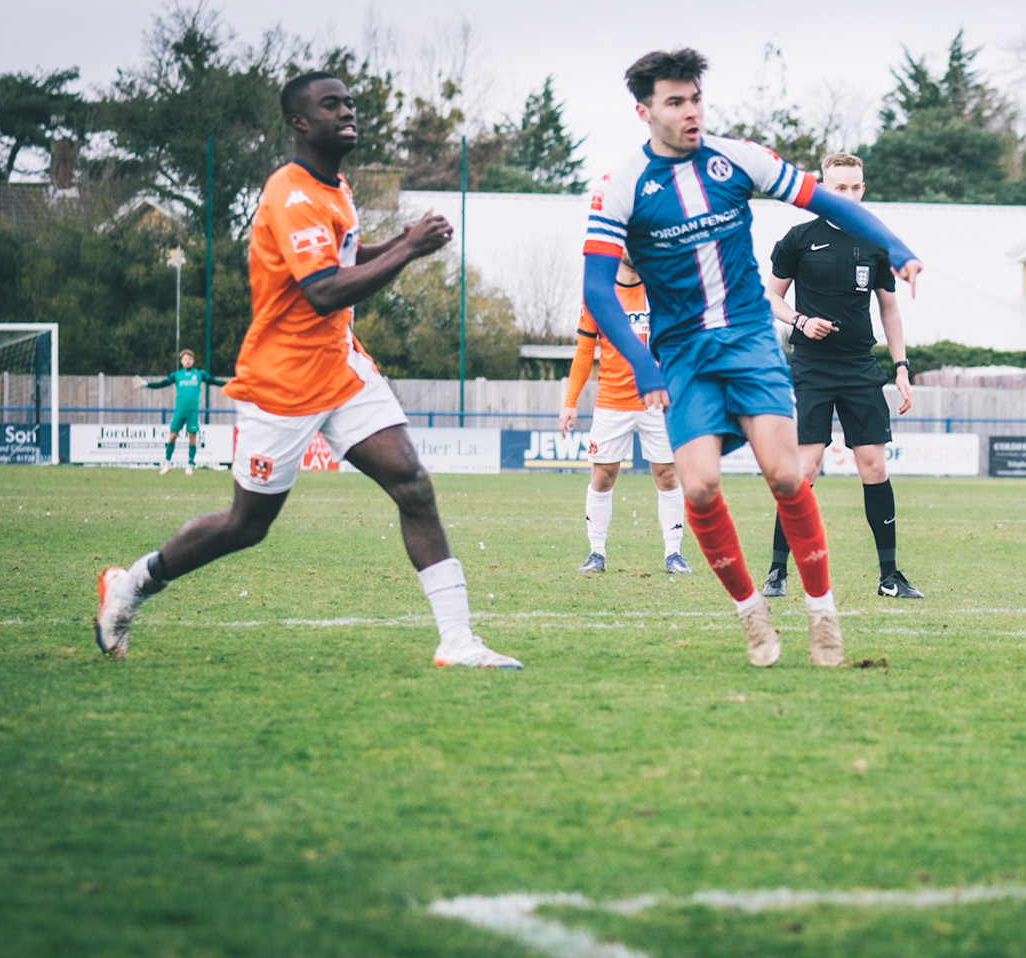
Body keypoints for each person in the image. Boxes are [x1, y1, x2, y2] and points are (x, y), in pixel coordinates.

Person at [94, 71, 521, 669]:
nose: (347, 112)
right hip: (283, 380)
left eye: (349, 102)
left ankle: (457, 641)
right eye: (331, 105)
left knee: (412, 483)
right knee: (247, 525)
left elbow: (344, 254)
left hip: (341, 366)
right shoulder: (290, 196)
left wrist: (397, 241)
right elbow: (322, 290)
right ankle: (132, 584)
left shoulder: (334, 187)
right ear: (299, 122)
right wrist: (410, 249)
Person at [582, 48, 922, 668]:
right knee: (701, 487)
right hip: (682, 352)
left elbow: (826, 200)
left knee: (787, 474)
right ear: (644, 111)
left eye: (696, 99)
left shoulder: (737, 158)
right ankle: (750, 611)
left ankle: (823, 614)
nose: (691, 112)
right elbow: (597, 290)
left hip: (749, 341)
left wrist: (894, 245)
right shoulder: (620, 185)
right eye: (675, 101)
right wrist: (641, 360)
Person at [761, 152, 922, 601]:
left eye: (855, 187)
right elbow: (770, 297)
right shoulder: (798, 239)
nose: (848, 194)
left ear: (863, 189)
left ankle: (890, 577)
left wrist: (902, 368)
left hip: (858, 368)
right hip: (811, 366)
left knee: (874, 465)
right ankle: (777, 572)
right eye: (839, 188)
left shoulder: (876, 244)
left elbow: (890, 309)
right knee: (804, 469)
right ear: (822, 188)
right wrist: (799, 322)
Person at [559, 255, 692, 575]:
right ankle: (596, 553)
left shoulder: (659, 290)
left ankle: (673, 554)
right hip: (611, 402)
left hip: (657, 402)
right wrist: (570, 402)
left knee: (667, 475)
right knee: (603, 476)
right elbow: (584, 352)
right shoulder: (598, 295)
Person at [136, 349, 226, 475]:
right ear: (181, 361)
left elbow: (214, 381)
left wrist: (228, 384)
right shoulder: (176, 375)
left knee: (192, 437)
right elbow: (162, 384)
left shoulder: (199, 374)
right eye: (185, 359)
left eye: (189, 359)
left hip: (193, 411)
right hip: (179, 410)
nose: (187, 361)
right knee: (172, 436)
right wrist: (147, 384)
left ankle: (189, 465)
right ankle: (167, 464)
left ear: (193, 361)